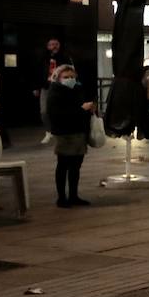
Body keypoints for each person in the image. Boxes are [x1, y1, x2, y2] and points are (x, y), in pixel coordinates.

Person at [47, 64, 96, 207]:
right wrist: (81, 109)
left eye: (72, 77)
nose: (69, 79)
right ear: (58, 78)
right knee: (63, 164)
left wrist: (89, 108)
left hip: (79, 132)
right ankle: (61, 198)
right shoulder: (55, 91)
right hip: (64, 133)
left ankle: (74, 196)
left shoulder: (78, 89)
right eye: (66, 77)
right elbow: (56, 114)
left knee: (76, 166)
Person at [34, 37, 71, 143]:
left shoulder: (64, 57)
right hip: (46, 86)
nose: (54, 46)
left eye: (56, 44)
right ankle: (48, 132)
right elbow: (37, 72)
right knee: (44, 111)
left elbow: (69, 70)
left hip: (60, 87)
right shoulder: (43, 58)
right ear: (47, 46)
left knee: (60, 110)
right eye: (51, 44)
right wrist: (36, 87)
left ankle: (60, 132)